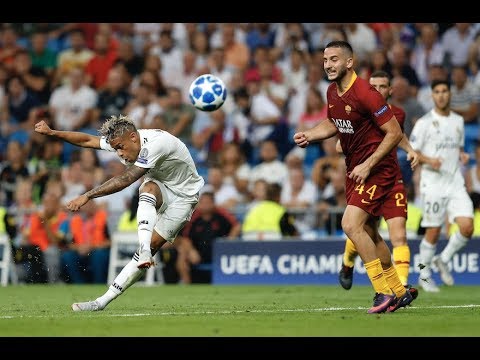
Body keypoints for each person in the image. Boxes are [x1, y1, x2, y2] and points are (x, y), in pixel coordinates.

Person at [34, 114, 205, 311]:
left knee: (152, 238)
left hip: (185, 196)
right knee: (148, 189)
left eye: (121, 148)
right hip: (163, 186)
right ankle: (102, 301)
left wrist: (88, 195)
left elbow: (126, 179)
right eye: (115, 149)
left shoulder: (157, 144)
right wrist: (53, 132)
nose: (120, 154)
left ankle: (142, 254)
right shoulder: (123, 140)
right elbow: (87, 139)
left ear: (133, 137)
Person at [293, 41, 413, 313]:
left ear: (349, 62)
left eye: (334, 59)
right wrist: (310, 134)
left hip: (377, 170)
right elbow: (334, 122)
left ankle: (382, 293)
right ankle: (399, 290)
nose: (328, 65)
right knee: (370, 231)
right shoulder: (332, 91)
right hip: (355, 169)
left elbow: (394, 133)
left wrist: (369, 164)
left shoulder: (367, 93)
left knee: (350, 224)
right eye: (325, 60)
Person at [338, 70, 420, 297]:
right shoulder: (357, 111)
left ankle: (400, 286)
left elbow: (395, 133)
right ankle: (348, 260)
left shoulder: (396, 113)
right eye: (372, 86)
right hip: (364, 178)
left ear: (390, 90)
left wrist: (410, 149)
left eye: (382, 86)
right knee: (365, 230)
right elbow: (340, 141)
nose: (377, 90)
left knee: (398, 234)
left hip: (390, 179)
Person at [409, 79, 474, 292]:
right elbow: (412, 151)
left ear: (450, 93)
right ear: (432, 95)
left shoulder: (458, 121)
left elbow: (457, 147)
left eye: (444, 91)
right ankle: (424, 274)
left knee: (467, 227)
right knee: (433, 232)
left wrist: (462, 155)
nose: (441, 95)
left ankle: (443, 259)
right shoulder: (424, 122)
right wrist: (429, 161)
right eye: (436, 91)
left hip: (455, 182)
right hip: (433, 183)